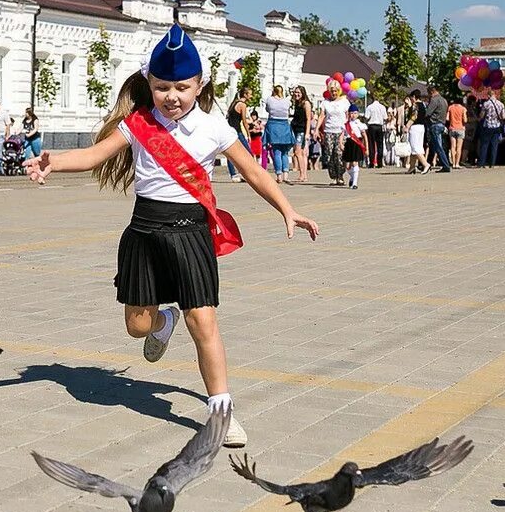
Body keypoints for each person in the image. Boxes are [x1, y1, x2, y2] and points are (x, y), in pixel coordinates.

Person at [24, 24, 319, 450]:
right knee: (136, 326)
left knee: (205, 322)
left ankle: (221, 413)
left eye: (182, 87)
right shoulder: (138, 124)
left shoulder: (215, 128)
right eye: (162, 87)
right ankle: (164, 320)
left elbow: (254, 171)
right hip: (143, 234)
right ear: (150, 84)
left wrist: (288, 209)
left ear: (199, 85)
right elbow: (94, 155)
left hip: (190, 236)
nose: (172, 96)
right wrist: (55, 161)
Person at [316, 81, 350, 186]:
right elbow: (322, 116)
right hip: (329, 131)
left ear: (339, 91)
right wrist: (316, 129)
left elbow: (348, 116)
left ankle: (340, 176)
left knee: (339, 154)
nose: (333, 93)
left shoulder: (344, 102)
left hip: (341, 131)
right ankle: (334, 177)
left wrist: (348, 130)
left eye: (335, 91)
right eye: (331, 91)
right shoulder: (325, 103)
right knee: (329, 155)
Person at [263, 84, 294, 184]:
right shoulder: (287, 101)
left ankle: (279, 175)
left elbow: (267, 109)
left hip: (273, 125)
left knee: (277, 151)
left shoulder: (269, 99)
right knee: (285, 152)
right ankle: (286, 175)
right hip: (284, 125)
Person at [224, 87, 251, 182]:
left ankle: (234, 174)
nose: (251, 96)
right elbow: (244, 121)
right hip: (237, 131)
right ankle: (247, 174)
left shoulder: (234, 103)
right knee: (248, 153)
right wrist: (248, 134)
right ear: (245, 95)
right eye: (250, 94)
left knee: (230, 153)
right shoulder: (242, 105)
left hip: (229, 130)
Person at [477, 89, 505, 168]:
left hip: (488, 126)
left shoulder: (486, 104)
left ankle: (481, 163)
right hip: (497, 126)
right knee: (494, 146)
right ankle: (492, 163)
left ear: (489, 95)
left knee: (485, 145)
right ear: (495, 95)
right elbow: (503, 117)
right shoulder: (501, 104)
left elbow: (481, 115)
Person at [341, 103, 368, 189]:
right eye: (351, 113)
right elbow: (341, 134)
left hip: (357, 144)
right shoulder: (346, 125)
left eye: (355, 113)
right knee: (347, 165)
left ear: (358, 114)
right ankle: (352, 177)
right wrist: (341, 143)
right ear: (348, 114)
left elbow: (364, 136)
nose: (353, 115)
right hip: (348, 144)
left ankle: (355, 183)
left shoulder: (360, 124)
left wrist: (366, 148)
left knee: (355, 162)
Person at [425, 85, 451, 173]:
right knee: (433, 146)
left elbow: (428, 113)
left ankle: (446, 165)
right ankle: (427, 164)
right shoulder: (444, 100)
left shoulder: (434, 100)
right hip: (442, 124)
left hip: (435, 124)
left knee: (438, 146)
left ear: (431, 92)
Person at [289, 85, 313, 184]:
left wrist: (307, 133)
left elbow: (308, 119)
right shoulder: (297, 103)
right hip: (295, 129)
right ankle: (302, 174)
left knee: (298, 153)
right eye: (295, 92)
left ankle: (303, 174)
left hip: (301, 130)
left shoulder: (306, 104)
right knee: (299, 152)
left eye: (298, 92)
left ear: (303, 93)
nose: (296, 94)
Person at [404, 90, 429, 175]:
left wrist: (407, 126)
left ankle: (425, 164)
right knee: (416, 147)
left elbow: (413, 116)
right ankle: (412, 167)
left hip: (415, 127)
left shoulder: (415, 105)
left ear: (414, 97)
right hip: (421, 127)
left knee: (415, 147)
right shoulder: (423, 105)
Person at [364, 96, 387, 168]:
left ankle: (372, 163)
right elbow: (385, 118)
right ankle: (380, 163)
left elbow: (367, 117)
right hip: (379, 126)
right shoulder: (382, 107)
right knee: (380, 144)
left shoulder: (369, 107)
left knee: (371, 144)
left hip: (372, 126)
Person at [447, 96, 467, 169]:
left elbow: (447, 118)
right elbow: (465, 120)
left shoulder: (450, 107)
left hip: (452, 128)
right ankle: (457, 163)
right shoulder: (463, 109)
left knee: (453, 147)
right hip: (460, 128)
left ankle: (453, 163)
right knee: (459, 147)